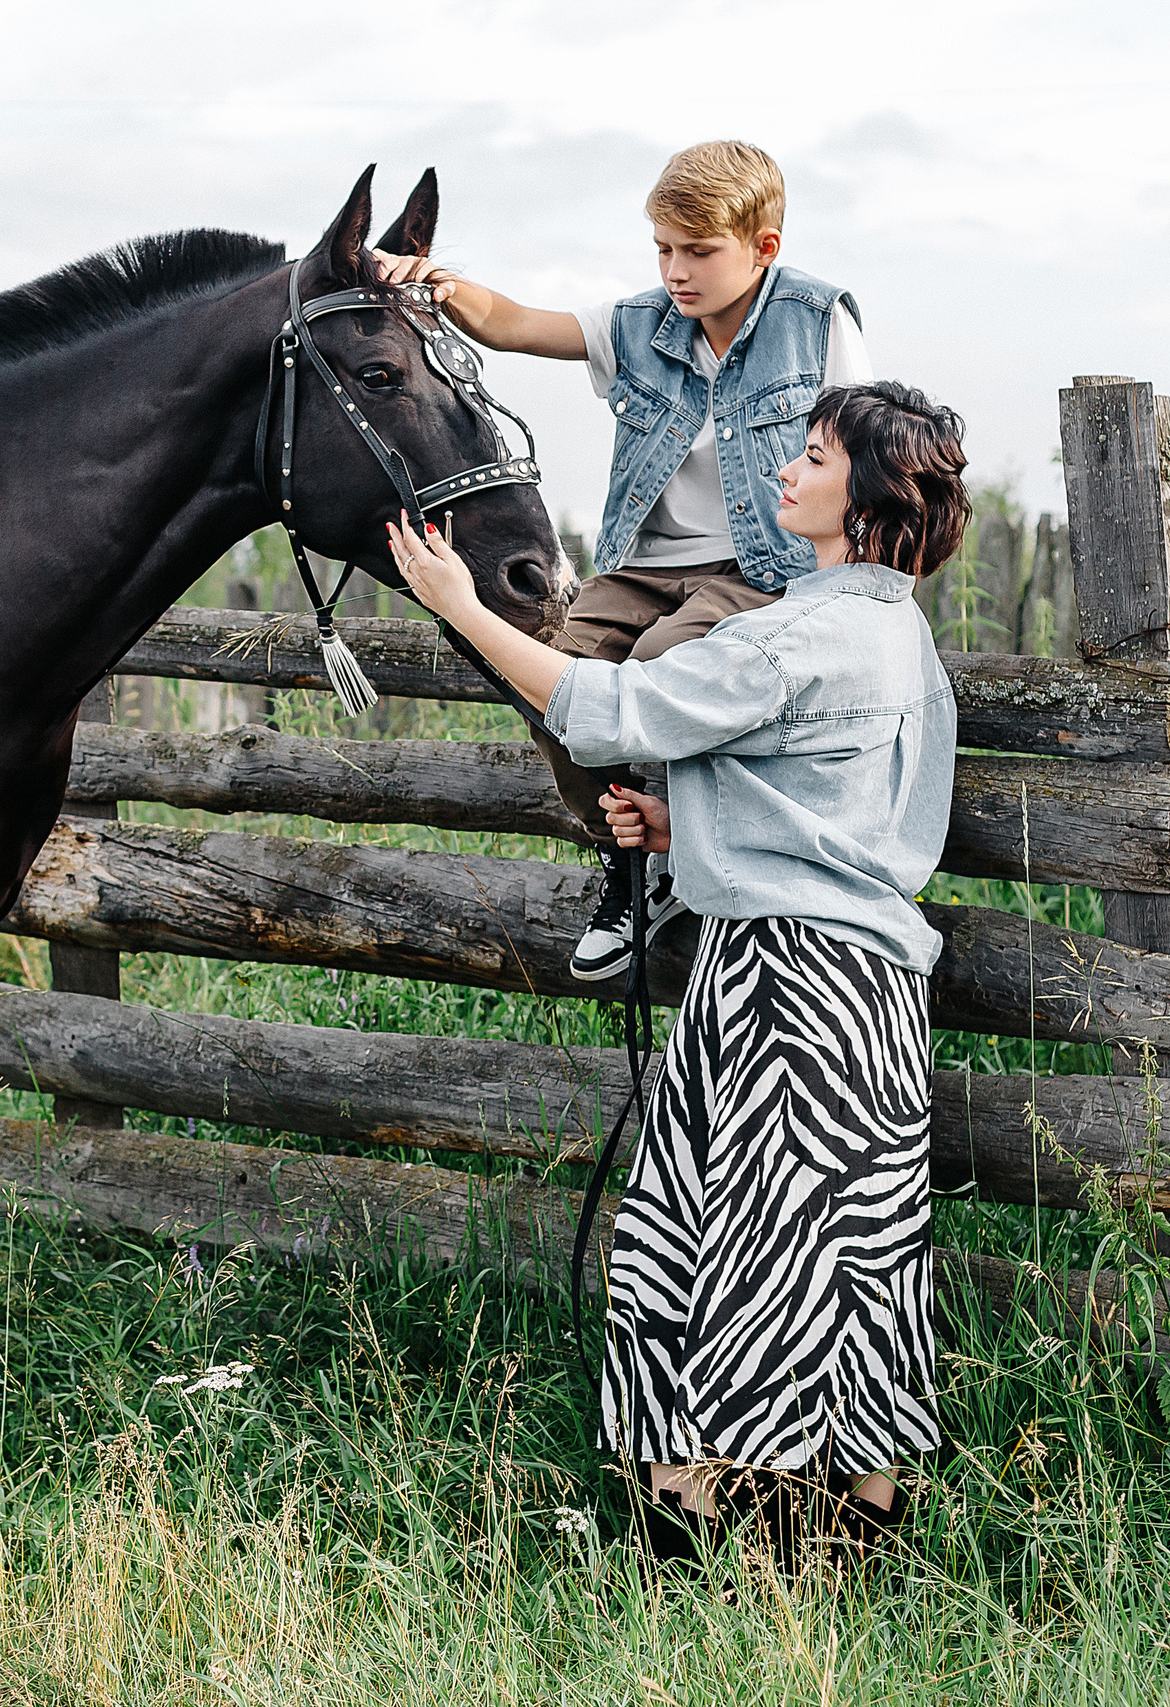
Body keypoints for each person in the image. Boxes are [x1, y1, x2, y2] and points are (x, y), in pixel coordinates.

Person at [390, 380, 969, 1571]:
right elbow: (823, 796)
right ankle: (856, 1532)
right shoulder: (892, 629)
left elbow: (610, 712)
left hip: (782, 984)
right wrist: (687, 826)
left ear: (863, 492)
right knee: (846, 1253)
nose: (784, 471)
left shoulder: (802, 632)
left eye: (810, 456)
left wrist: (463, 609)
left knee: (728, 1251)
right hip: (864, 990)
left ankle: (719, 1540)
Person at [381, 140, 871, 983]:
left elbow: (863, 452)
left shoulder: (818, 321)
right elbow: (518, 324)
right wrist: (438, 284)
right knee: (553, 684)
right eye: (664, 249)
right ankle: (631, 866)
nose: (677, 271)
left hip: (761, 569)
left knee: (651, 668)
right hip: (643, 564)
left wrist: (855, 589)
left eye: (699, 251)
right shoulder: (640, 323)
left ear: (764, 247)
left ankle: (682, 843)